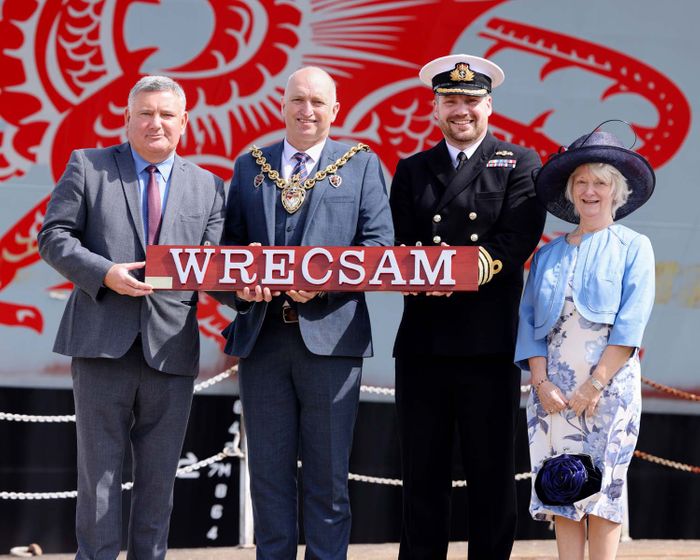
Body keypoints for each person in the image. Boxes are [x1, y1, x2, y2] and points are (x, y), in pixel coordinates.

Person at [38, 76, 227, 559]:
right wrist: (104, 274)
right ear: (127, 117)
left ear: (184, 122)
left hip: (171, 351)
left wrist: (251, 291)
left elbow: (214, 267)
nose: (155, 123)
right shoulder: (88, 165)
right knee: (97, 478)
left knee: (159, 483)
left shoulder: (208, 186)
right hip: (101, 343)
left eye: (166, 114)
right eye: (145, 113)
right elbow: (54, 237)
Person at [221, 66, 393, 559]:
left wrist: (320, 288)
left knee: (328, 480)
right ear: (282, 105)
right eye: (298, 100)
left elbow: (380, 248)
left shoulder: (360, 164)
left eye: (318, 102)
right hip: (263, 341)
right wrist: (242, 289)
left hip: (333, 342)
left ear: (335, 110)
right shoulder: (250, 164)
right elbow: (227, 252)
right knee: (269, 478)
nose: (307, 110)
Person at [389, 54, 547, 559]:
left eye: (471, 100)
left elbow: (515, 241)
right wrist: (420, 273)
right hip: (424, 343)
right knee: (422, 474)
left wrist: (456, 272)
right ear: (435, 108)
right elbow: (397, 244)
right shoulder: (413, 169)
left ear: (489, 106)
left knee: (491, 474)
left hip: (489, 343)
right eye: (451, 100)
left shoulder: (520, 163)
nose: (462, 110)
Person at [515, 128, 656, 560]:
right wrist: (541, 384)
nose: (589, 191)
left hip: (607, 389)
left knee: (605, 489)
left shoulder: (635, 247)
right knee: (562, 484)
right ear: (571, 193)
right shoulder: (546, 255)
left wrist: (595, 384)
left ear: (617, 192)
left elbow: (631, 325)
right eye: (581, 183)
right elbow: (528, 325)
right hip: (552, 394)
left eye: (600, 182)